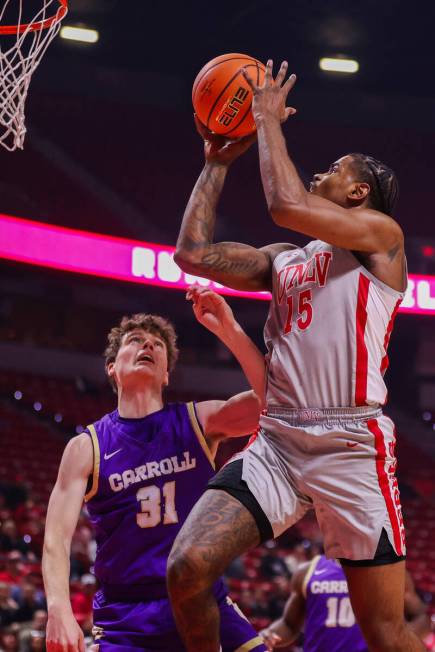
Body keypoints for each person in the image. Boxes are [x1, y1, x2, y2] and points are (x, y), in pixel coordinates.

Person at [168, 60, 423, 652]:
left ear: (358, 193)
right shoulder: (285, 259)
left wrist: (264, 119)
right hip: (279, 442)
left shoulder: (381, 240)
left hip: (352, 444)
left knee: (385, 633)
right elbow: (192, 252)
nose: (320, 172)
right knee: (186, 569)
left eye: (336, 171)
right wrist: (214, 163)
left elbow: (284, 203)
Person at [42, 287, 267, 652]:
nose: (148, 346)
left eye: (157, 345)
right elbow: (56, 539)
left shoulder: (198, 420)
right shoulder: (88, 446)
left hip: (200, 595)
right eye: (135, 340)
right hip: (126, 615)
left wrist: (229, 330)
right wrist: (58, 607)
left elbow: (274, 402)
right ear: (112, 368)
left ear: (166, 374)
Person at [260, 556, 430, 651]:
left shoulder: (389, 571)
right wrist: (269, 634)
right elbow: (289, 624)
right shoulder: (308, 571)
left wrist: (397, 640)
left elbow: (421, 618)